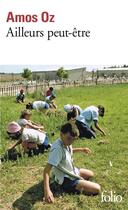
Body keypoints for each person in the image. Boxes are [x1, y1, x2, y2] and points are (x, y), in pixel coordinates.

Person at [43, 123, 101, 203]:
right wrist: (47, 191)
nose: (71, 142)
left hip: (71, 171)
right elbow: (46, 171)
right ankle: (69, 187)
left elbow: (68, 150)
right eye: (69, 138)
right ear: (61, 134)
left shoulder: (65, 142)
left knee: (91, 174)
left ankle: (78, 180)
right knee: (97, 188)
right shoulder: (57, 149)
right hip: (66, 179)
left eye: (74, 139)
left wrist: (81, 149)